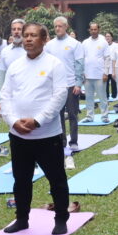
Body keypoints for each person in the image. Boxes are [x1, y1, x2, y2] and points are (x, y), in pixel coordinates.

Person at [0, 22, 72, 235]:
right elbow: (5, 96)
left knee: (56, 179)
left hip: (47, 135)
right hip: (19, 135)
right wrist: (13, 121)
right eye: (26, 35)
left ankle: (61, 218)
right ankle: (22, 218)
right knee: (21, 180)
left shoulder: (54, 64)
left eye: (33, 35)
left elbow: (60, 95)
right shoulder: (15, 66)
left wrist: (38, 120)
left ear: (44, 39)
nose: (28, 39)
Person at [45, 16, 85, 161]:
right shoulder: (49, 46)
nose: (57, 29)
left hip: (70, 84)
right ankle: (61, 142)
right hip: (56, 86)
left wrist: (78, 83)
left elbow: (79, 65)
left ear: (66, 27)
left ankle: (73, 142)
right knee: (58, 115)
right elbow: (46, 65)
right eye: (55, 26)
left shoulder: (75, 44)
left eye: (60, 26)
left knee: (73, 115)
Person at [81, 22, 110, 123]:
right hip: (87, 75)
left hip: (100, 75)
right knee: (89, 97)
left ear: (99, 30)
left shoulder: (103, 42)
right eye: (92, 29)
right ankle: (89, 116)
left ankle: (105, 116)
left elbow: (107, 58)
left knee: (102, 97)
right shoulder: (84, 42)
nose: (93, 31)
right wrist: (82, 73)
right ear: (89, 30)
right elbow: (82, 58)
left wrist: (106, 73)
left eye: (95, 29)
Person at [0, 20, 27, 95]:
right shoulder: (5, 51)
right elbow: (1, 77)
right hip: (10, 94)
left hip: (27, 93)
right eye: (14, 29)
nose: (16, 32)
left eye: (19, 29)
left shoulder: (30, 50)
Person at [103, 31, 117, 103]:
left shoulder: (115, 45)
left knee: (114, 82)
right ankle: (107, 96)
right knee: (106, 83)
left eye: (109, 36)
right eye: (106, 36)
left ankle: (114, 95)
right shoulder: (103, 45)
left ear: (112, 37)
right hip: (105, 67)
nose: (107, 38)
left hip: (113, 66)